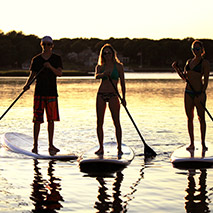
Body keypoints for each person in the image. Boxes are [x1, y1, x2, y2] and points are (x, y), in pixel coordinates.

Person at [23, 36, 63, 155]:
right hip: (39, 93)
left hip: (51, 93)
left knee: (51, 120)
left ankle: (51, 145)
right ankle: (35, 145)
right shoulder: (36, 60)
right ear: (41, 45)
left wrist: (50, 67)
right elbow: (32, 75)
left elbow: (59, 73)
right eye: (44, 44)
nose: (46, 47)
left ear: (52, 46)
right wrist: (27, 85)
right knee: (37, 120)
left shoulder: (56, 59)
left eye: (48, 44)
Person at [172, 40, 210, 151]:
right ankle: (192, 143)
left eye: (197, 49)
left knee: (201, 118)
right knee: (189, 118)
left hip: (199, 93)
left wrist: (202, 93)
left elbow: (206, 80)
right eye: (193, 49)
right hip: (188, 93)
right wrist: (176, 69)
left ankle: (203, 143)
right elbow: (185, 78)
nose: (195, 51)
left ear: (202, 50)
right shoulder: (189, 62)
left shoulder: (204, 63)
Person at [95, 43, 126, 155]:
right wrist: (103, 74)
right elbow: (96, 76)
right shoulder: (100, 66)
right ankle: (101, 148)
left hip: (113, 95)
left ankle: (119, 147)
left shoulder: (118, 66)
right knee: (99, 122)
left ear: (113, 54)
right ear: (102, 55)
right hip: (101, 95)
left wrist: (124, 98)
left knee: (116, 122)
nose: (107, 54)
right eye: (105, 53)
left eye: (109, 52)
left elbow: (122, 83)